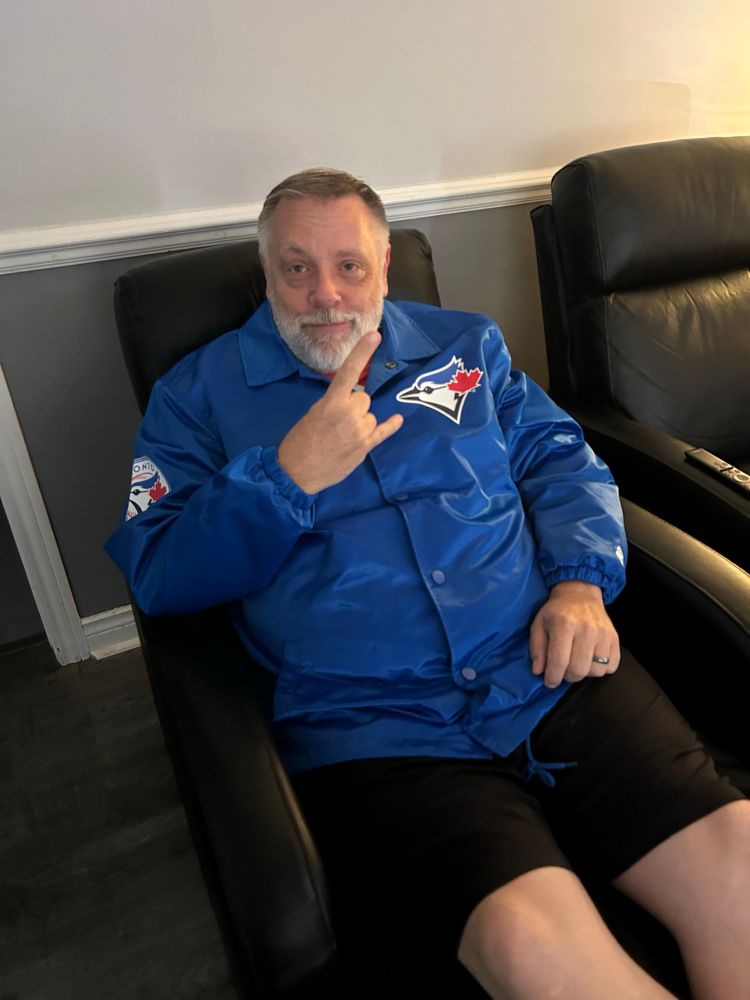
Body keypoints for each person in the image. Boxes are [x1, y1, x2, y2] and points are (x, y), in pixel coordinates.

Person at [106, 168, 750, 999]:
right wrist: (286, 478)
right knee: (535, 949)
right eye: (295, 268)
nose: (325, 295)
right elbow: (160, 575)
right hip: (377, 727)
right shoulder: (192, 400)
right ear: (265, 276)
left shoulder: (466, 347)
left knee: (736, 863)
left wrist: (580, 585)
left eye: (350, 266)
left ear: (384, 269)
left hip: (545, 666)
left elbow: (560, 460)